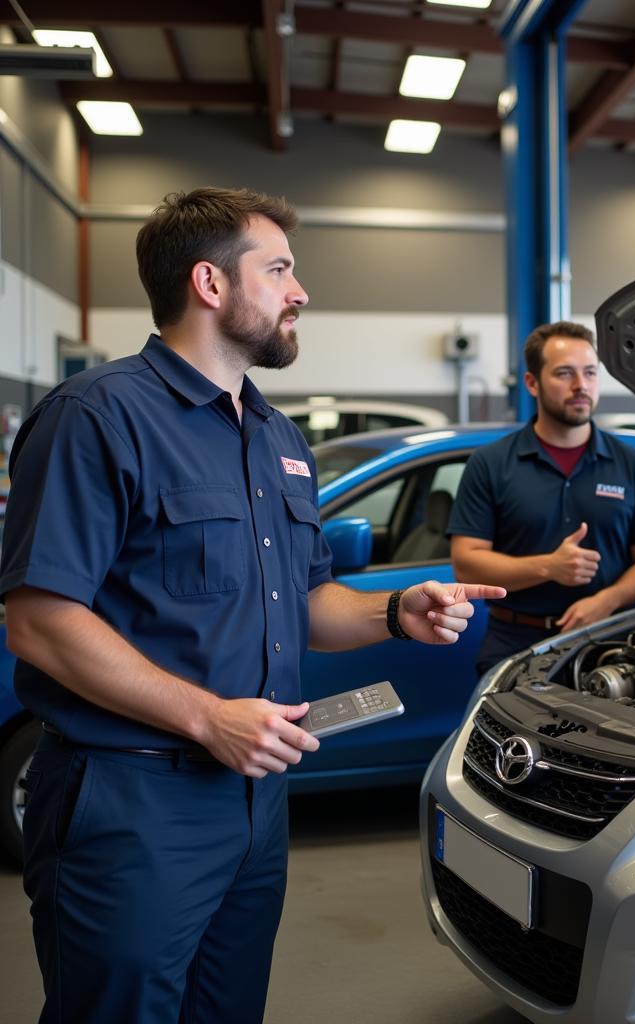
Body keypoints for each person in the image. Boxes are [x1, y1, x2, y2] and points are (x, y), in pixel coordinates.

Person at [0, 186, 504, 1024]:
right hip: (132, 801)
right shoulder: (96, 417)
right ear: (209, 283)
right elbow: (41, 620)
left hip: (254, 800)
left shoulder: (275, 435)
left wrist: (394, 613)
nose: (299, 292)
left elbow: (307, 601)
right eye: (278, 271)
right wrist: (207, 718)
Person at [448, 321, 635, 674]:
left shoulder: (632, 464)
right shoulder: (490, 463)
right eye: (565, 373)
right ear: (532, 383)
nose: (581, 386)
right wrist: (549, 567)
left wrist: (605, 601)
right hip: (515, 641)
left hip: (609, 640)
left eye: (590, 373)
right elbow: (466, 562)